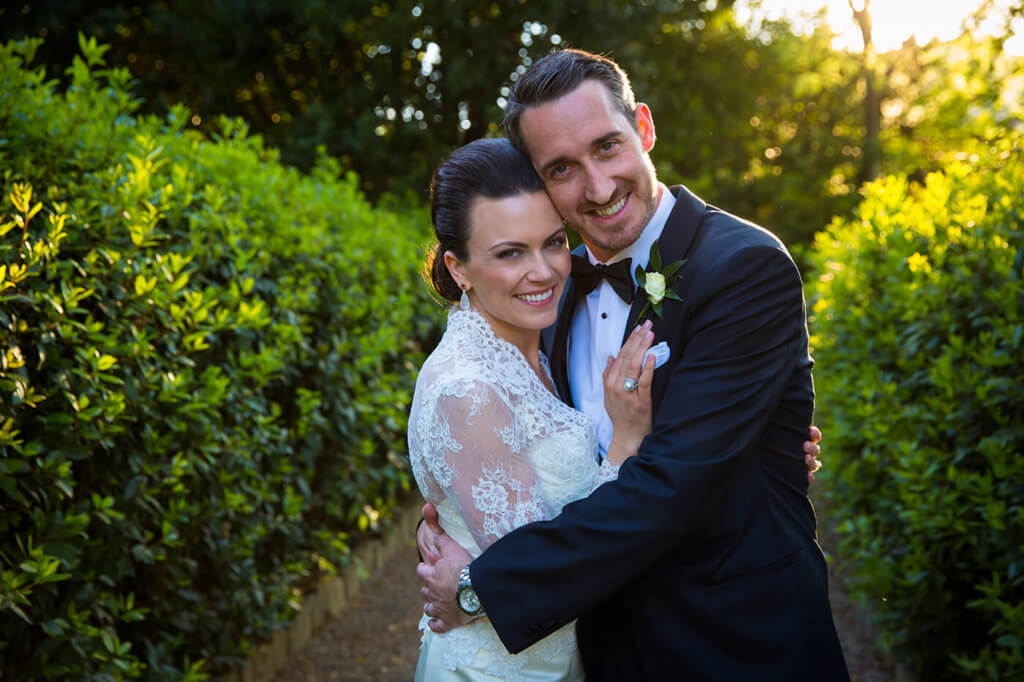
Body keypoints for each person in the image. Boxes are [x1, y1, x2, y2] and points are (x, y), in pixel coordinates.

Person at [416, 49, 849, 681]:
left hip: (733, 645)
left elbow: (674, 484)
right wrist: (453, 524)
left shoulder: (745, 267)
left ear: (643, 128)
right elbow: (522, 453)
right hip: (605, 648)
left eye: (608, 147)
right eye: (562, 169)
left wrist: (479, 585)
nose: (597, 187)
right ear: (541, 184)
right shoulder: (554, 289)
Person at [409, 136, 657, 680]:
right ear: (459, 268)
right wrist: (625, 442)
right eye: (510, 253)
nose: (543, 272)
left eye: (551, 242)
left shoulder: (540, 341)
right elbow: (542, 574)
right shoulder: (467, 389)